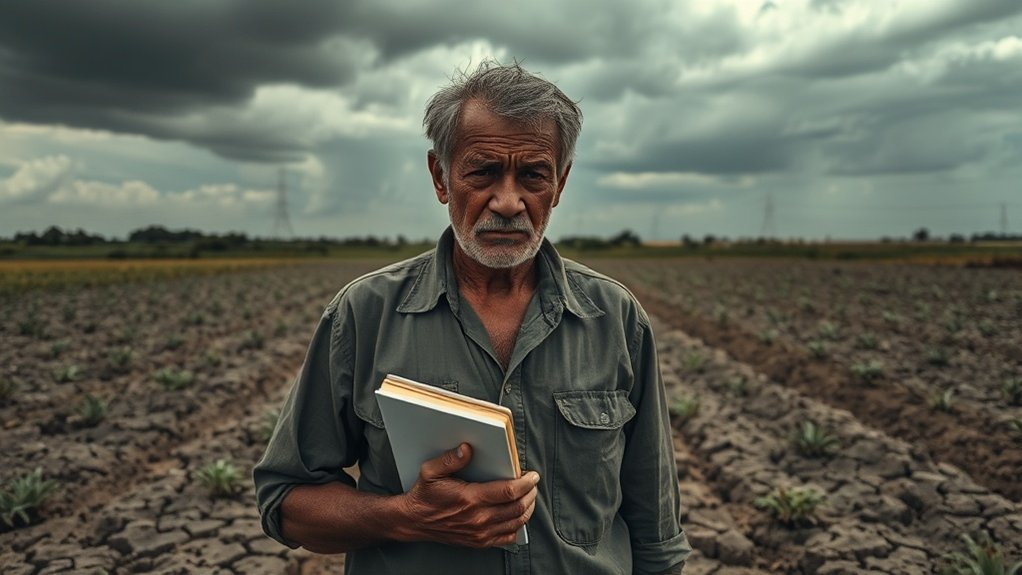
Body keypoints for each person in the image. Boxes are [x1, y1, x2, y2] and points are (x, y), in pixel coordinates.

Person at [254, 60, 691, 574]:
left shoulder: (615, 319)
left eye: (532, 175)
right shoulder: (363, 315)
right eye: (483, 171)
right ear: (440, 177)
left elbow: (655, 532)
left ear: (561, 182)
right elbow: (287, 501)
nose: (508, 202)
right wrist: (406, 517)